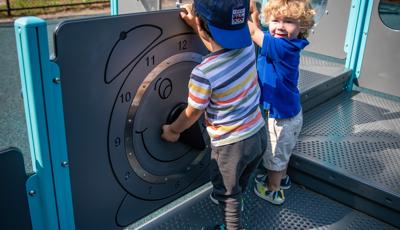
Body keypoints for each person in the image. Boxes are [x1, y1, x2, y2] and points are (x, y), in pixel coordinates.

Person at [161, 0, 267, 229]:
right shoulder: (248, 47)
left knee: (226, 193)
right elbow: (222, 49)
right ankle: (240, 200)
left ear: (199, 23)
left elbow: (192, 113)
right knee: (242, 179)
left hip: (231, 146)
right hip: (258, 132)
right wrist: (199, 27)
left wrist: (173, 130)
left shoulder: (203, 73)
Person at [247, 0, 315, 205]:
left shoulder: (283, 47)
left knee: (275, 156)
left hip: (280, 118)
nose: (280, 26)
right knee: (281, 154)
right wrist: (255, 12)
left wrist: (242, 12)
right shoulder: (287, 43)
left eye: (289, 21)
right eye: (275, 20)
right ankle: (280, 179)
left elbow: (252, 33)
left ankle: (273, 189)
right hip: (288, 112)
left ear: (302, 26)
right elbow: (259, 31)